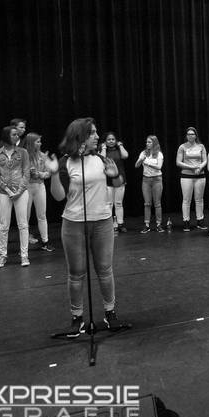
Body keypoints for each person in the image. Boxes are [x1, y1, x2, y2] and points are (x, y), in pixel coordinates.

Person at [47, 117, 124, 336]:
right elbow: (58, 196)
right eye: (92, 133)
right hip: (74, 223)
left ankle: (110, 313)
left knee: (105, 270)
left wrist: (115, 176)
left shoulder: (101, 159)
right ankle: (77, 318)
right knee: (76, 273)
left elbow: (118, 183)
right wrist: (54, 174)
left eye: (96, 132)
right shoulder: (66, 162)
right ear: (79, 136)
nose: (97, 137)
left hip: (102, 221)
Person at [0, 125, 31, 267]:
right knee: (4, 225)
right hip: (4, 193)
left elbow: (26, 173)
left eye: (17, 134)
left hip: (21, 192)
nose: (17, 136)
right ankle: (2, 255)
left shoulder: (23, 152)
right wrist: (8, 190)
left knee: (23, 224)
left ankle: (24, 255)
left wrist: (19, 191)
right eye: (14, 134)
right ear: (6, 136)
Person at [24, 132, 55, 251]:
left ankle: (45, 242)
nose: (40, 144)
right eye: (37, 142)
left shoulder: (43, 156)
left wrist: (39, 174)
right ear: (31, 143)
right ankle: (24, 245)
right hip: (26, 188)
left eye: (40, 141)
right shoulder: (23, 155)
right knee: (25, 217)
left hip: (39, 187)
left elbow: (48, 173)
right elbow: (17, 172)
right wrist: (28, 173)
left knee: (42, 215)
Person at [176, 127, 208, 231]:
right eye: (188, 134)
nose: (190, 136)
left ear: (195, 135)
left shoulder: (201, 146)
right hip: (186, 176)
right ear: (186, 136)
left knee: (199, 199)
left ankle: (200, 221)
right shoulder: (182, 147)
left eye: (192, 134)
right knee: (186, 200)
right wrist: (192, 167)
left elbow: (205, 160)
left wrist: (199, 167)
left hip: (200, 176)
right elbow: (178, 162)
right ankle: (186, 221)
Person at [100, 132, 129, 232]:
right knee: (109, 203)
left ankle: (120, 224)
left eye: (113, 139)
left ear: (116, 140)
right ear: (105, 141)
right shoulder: (103, 150)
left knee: (118, 203)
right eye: (109, 139)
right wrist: (103, 148)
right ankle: (108, 225)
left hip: (120, 179)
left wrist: (120, 146)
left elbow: (125, 156)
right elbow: (101, 159)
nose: (111, 141)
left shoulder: (119, 149)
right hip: (107, 180)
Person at [136, 135, 164, 233]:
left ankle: (158, 224)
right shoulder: (144, 153)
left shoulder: (159, 154)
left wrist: (147, 163)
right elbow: (136, 165)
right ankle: (146, 225)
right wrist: (140, 160)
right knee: (147, 203)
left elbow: (159, 166)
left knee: (157, 203)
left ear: (154, 143)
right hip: (146, 180)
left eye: (149, 142)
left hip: (157, 179)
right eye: (147, 142)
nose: (147, 144)